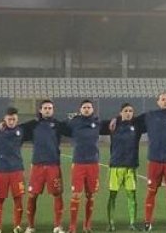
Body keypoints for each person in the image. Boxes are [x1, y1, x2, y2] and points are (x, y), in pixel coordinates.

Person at [126, 91, 166, 231]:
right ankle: (148, 222)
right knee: (151, 192)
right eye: (163, 99)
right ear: (158, 102)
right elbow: (132, 121)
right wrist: (118, 120)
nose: (165, 101)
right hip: (154, 161)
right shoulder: (150, 116)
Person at [22, 99, 70, 233]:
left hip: (53, 165)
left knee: (57, 195)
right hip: (37, 165)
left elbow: (73, 130)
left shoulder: (58, 125)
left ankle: (57, 226)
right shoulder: (33, 125)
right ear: (40, 110)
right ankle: (30, 226)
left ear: (53, 110)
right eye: (45, 108)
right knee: (32, 195)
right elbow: (17, 129)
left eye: (50, 108)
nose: (48, 110)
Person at [67, 99, 112, 233]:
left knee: (91, 195)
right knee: (76, 194)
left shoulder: (97, 122)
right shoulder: (73, 122)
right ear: (80, 109)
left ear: (93, 109)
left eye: (89, 107)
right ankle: (73, 226)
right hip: (79, 163)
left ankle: (87, 225)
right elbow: (59, 127)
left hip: (93, 163)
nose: (87, 109)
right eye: (84, 107)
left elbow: (113, 126)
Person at [0, 107, 29, 232]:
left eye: (14, 119)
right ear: (4, 119)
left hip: (16, 169)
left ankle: (17, 226)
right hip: (1, 170)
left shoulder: (21, 130)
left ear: (17, 119)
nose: (11, 121)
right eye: (9, 119)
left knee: (18, 198)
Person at [106, 103, 144, 231]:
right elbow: (97, 125)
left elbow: (149, 119)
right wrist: (115, 119)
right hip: (115, 167)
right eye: (126, 111)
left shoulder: (137, 126)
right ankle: (111, 224)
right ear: (120, 112)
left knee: (131, 196)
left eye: (131, 111)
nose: (128, 113)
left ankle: (132, 223)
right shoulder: (113, 125)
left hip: (131, 167)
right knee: (112, 195)